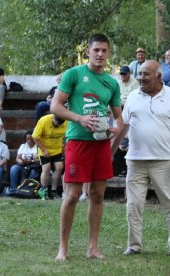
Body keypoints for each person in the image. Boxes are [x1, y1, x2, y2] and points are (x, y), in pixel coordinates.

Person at [50, 34, 123, 261]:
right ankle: (63, 248)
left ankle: (92, 248)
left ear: (108, 53)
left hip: (101, 144)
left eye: (104, 50)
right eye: (96, 50)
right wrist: (80, 119)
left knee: (98, 195)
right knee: (71, 196)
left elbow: (120, 120)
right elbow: (55, 106)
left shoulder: (112, 83)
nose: (100, 54)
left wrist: (114, 130)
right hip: (77, 142)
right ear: (88, 52)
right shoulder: (74, 74)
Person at [112, 60, 170, 260]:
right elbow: (124, 127)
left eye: (146, 74)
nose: (141, 78)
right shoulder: (133, 97)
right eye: (140, 74)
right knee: (133, 205)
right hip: (135, 161)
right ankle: (134, 245)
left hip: (164, 160)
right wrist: (111, 152)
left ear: (159, 76)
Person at [32, 114, 67, 200]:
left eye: (60, 124)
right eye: (56, 123)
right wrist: (43, 150)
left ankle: (53, 191)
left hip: (57, 149)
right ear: (54, 118)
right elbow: (35, 137)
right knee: (46, 168)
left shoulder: (66, 121)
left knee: (59, 167)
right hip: (44, 148)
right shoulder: (44, 120)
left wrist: (64, 146)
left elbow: (67, 135)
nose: (58, 125)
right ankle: (44, 190)